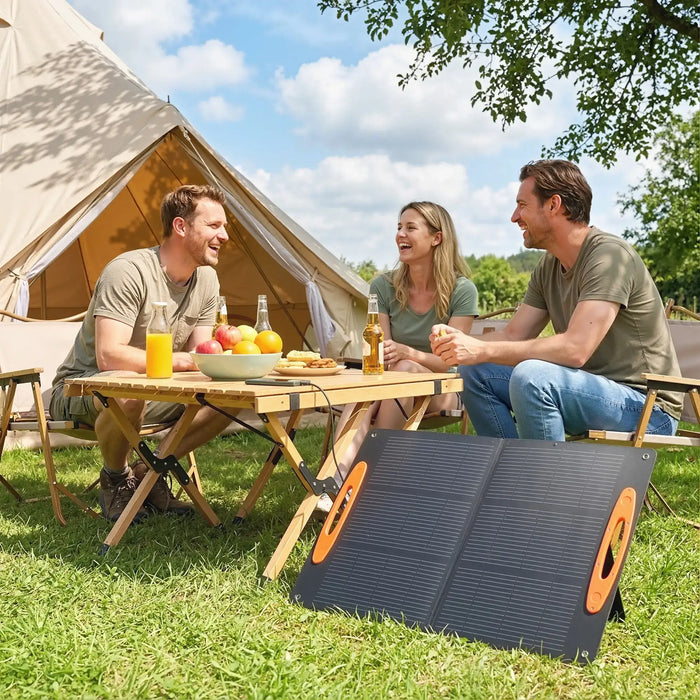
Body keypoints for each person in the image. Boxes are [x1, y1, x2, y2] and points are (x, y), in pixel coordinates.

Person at [431, 159, 684, 441]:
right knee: (474, 372)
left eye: (522, 205)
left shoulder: (610, 256)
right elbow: (514, 335)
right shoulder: (548, 266)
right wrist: (466, 346)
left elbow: (575, 349)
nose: (514, 217)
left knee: (533, 378)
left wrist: (481, 350)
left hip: (646, 406)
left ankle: (545, 482)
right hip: (583, 391)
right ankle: (510, 472)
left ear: (554, 205)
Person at [50, 184, 233, 522]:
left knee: (230, 397)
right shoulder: (128, 271)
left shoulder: (207, 279)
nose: (224, 235)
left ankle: (148, 474)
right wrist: (181, 361)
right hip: (81, 387)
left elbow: (200, 356)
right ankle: (116, 481)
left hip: (154, 387)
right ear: (180, 226)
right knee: (129, 390)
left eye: (224, 227)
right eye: (213, 226)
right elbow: (109, 356)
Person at [331, 201, 478, 491]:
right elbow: (381, 353)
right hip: (390, 384)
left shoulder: (462, 290)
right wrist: (390, 356)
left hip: (443, 389)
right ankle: (342, 480)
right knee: (377, 382)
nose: (401, 234)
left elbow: (450, 362)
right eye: (399, 227)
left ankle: (358, 481)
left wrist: (408, 354)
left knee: (405, 368)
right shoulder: (383, 286)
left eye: (411, 228)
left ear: (437, 238)